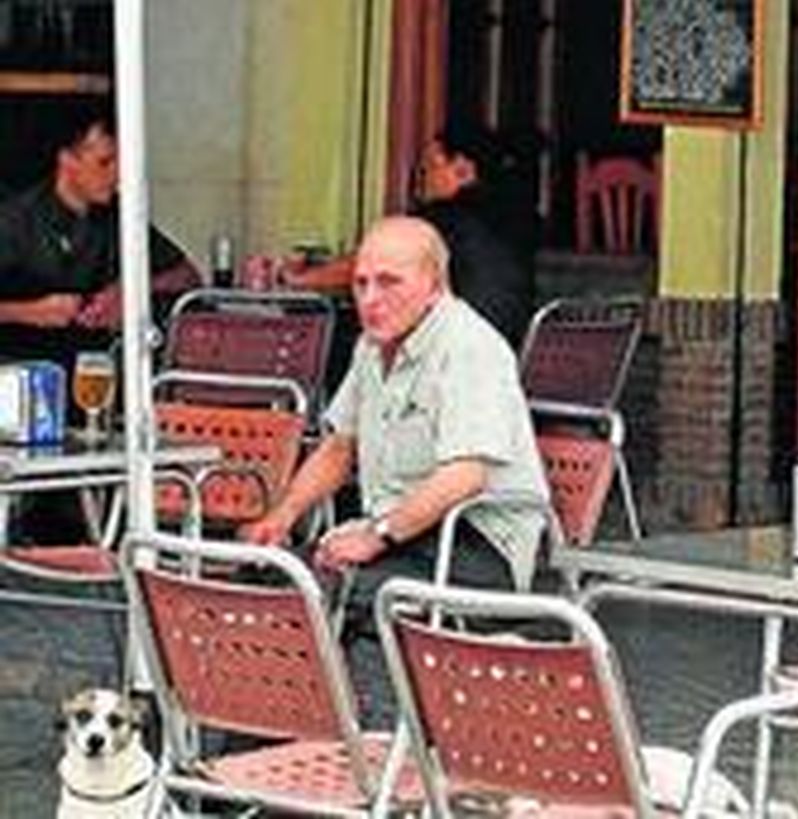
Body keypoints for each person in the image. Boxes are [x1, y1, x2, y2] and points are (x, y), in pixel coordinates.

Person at [241, 215, 549, 624]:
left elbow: (464, 477)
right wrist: (283, 515)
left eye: (389, 282)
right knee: (264, 575)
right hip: (402, 532)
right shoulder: (372, 346)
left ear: (435, 286)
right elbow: (339, 446)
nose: (370, 299)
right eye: (361, 284)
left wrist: (376, 536)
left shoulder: (468, 347)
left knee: (326, 591)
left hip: (478, 548)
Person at [284, 121, 539, 347]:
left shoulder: (446, 216)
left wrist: (297, 280)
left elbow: (368, 266)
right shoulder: (515, 218)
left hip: (451, 357)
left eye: (429, 168)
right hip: (501, 355)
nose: (420, 180)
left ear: (463, 170)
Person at [0, 100, 201, 360]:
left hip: (99, 367)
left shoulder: (119, 217)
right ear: (67, 161)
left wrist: (127, 292)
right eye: (104, 162)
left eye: (120, 162)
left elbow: (188, 276)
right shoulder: (15, 221)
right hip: (20, 368)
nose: (117, 174)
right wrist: (30, 312)